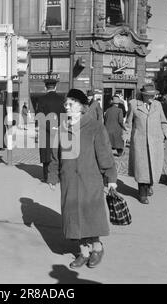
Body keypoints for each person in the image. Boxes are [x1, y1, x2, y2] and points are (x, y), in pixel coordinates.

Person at [60, 89, 117, 269]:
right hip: (70, 179)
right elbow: (56, 154)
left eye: (71, 103)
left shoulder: (95, 126)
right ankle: (83, 252)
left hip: (90, 178)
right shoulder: (62, 127)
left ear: (82, 106)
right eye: (66, 104)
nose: (67, 107)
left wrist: (111, 177)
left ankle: (97, 248)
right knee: (75, 216)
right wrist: (53, 174)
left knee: (90, 214)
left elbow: (105, 154)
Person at [126, 84, 167, 205]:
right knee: (142, 168)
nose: (152, 97)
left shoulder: (158, 105)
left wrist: (165, 133)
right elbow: (128, 123)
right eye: (149, 95)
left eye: (153, 94)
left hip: (156, 142)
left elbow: (164, 121)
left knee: (153, 167)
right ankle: (142, 194)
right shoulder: (134, 104)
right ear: (144, 95)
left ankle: (150, 185)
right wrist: (126, 136)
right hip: (140, 142)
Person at [36, 78, 65, 190]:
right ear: (55, 87)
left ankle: (46, 176)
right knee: (58, 152)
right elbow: (64, 116)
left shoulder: (42, 99)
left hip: (45, 130)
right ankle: (57, 176)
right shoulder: (61, 99)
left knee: (46, 152)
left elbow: (39, 116)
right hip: (59, 130)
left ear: (45, 87)